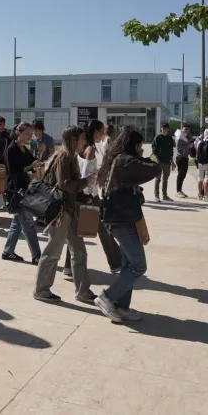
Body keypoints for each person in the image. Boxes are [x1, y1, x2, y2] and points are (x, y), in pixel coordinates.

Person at [93, 126, 161, 323]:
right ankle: (108, 298)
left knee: (128, 265)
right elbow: (154, 169)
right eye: (140, 145)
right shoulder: (126, 160)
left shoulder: (117, 158)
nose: (141, 148)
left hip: (118, 218)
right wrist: (147, 157)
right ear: (135, 145)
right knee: (138, 266)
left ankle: (120, 307)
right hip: (122, 220)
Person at [34, 125, 96, 304]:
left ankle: (83, 290)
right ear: (74, 139)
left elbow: (70, 187)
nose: (85, 142)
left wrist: (84, 196)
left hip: (70, 210)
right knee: (53, 251)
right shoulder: (64, 156)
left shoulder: (70, 156)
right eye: (83, 138)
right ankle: (41, 289)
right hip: (60, 213)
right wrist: (86, 182)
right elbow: (65, 184)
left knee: (79, 251)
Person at [62, 119, 122, 277]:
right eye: (102, 131)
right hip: (89, 196)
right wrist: (87, 195)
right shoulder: (90, 150)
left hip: (83, 195)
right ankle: (117, 263)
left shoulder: (81, 148)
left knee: (77, 232)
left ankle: (69, 267)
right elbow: (86, 176)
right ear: (96, 132)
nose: (104, 134)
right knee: (102, 229)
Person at [1, 122, 42, 264]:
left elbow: (31, 165)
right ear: (19, 133)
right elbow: (14, 172)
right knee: (28, 224)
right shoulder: (11, 150)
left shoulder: (24, 149)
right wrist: (31, 166)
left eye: (31, 134)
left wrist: (38, 162)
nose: (30, 137)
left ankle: (8, 251)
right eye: (27, 134)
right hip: (15, 190)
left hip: (24, 188)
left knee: (17, 223)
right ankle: (37, 256)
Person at [151, 123, 174, 202]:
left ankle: (164, 195)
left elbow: (171, 151)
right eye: (163, 129)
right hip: (159, 161)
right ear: (161, 129)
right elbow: (153, 150)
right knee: (158, 179)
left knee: (165, 179)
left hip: (167, 161)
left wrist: (172, 161)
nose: (164, 130)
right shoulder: (157, 138)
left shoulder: (170, 138)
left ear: (168, 129)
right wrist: (156, 159)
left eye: (166, 129)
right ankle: (156, 196)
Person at [196, 129, 208, 201]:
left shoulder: (199, 142)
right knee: (207, 179)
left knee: (200, 178)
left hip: (200, 163)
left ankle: (199, 195)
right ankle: (206, 196)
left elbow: (197, 152)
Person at [174, 126, 190, 198]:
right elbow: (179, 147)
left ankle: (180, 190)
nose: (186, 130)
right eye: (185, 129)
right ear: (181, 129)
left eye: (187, 129)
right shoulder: (179, 136)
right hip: (181, 157)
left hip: (184, 157)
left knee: (183, 174)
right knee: (181, 174)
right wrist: (188, 145)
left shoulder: (183, 136)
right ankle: (178, 191)